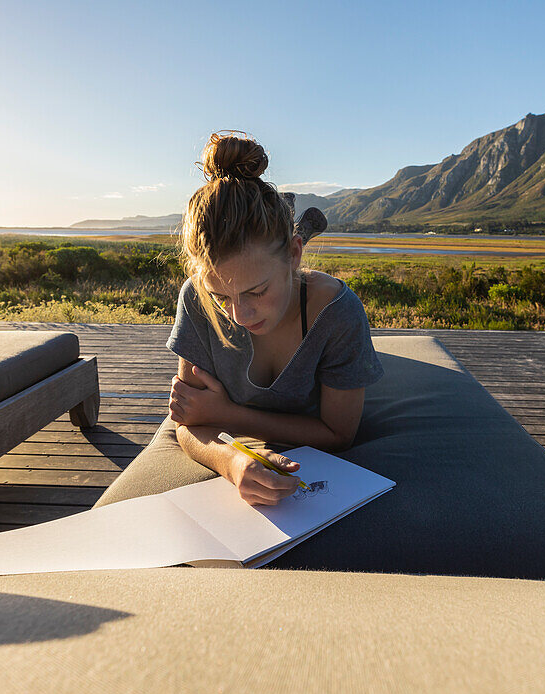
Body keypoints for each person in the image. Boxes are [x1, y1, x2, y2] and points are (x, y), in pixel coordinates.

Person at [94, 131, 383, 508]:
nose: (239, 315)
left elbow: (339, 434)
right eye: (221, 296)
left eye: (257, 291)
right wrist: (232, 462)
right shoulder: (195, 298)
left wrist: (228, 414)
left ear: (296, 253)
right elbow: (189, 420)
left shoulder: (338, 314)